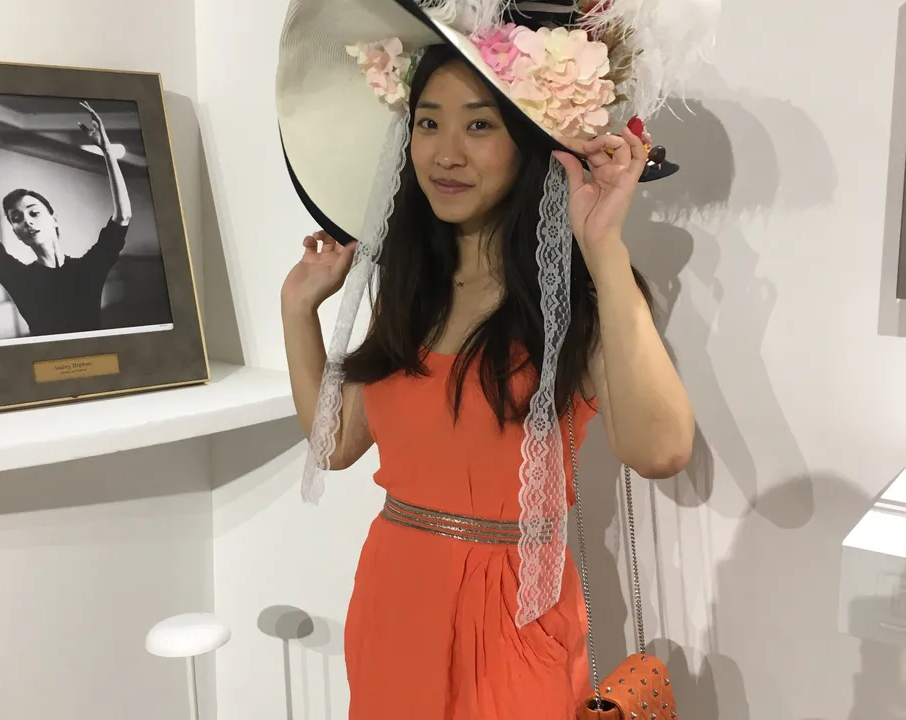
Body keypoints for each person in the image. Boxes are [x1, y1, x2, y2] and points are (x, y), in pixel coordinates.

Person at [277, 0, 717, 717]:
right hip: (395, 602)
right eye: (428, 123)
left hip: (516, 615)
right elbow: (337, 444)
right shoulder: (410, 291)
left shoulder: (576, 298)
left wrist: (603, 248)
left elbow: (662, 450)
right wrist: (299, 312)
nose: (445, 153)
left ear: (528, 141)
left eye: (479, 125)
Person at [0, 99, 132, 338]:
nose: (27, 221)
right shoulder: (18, 277)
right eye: (16, 218)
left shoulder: (89, 268)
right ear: (16, 232)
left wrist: (107, 150)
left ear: (53, 219)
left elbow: (123, 216)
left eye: (34, 212)